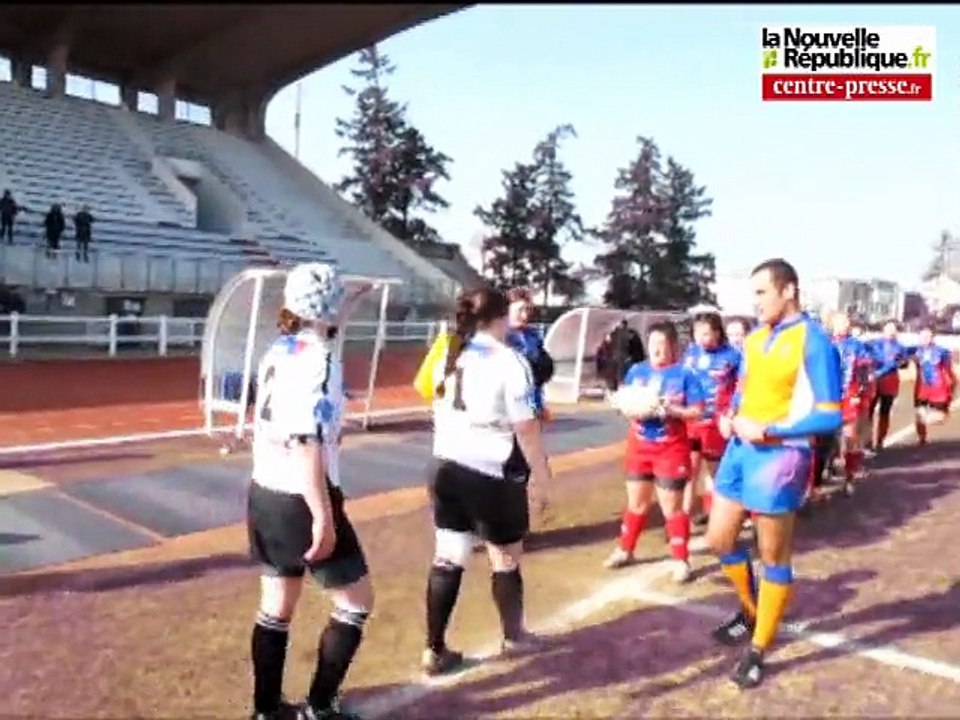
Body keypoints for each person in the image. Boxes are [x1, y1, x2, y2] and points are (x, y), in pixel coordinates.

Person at [246, 262, 372, 720]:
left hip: (265, 492)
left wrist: (347, 303)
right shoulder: (319, 360)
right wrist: (323, 515)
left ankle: (266, 711)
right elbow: (306, 442)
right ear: (328, 309)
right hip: (301, 497)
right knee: (355, 603)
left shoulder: (280, 348)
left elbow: (324, 332)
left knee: (276, 606)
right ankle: (319, 709)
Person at [707, 258, 841, 689]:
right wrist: (731, 415)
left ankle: (759, 648)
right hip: (740, 449)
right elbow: (744, 390)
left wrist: (770, 430)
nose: (756, 302)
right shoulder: (754, 339)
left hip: (782, 456)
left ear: (789, 291)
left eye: (762, 292)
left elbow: (830, 415)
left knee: (773, 557)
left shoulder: (813, 340)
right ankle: (752, 611)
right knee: (719, 538)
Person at [421, 286, 553, 677]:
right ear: (500, 317)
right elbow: (526, 428)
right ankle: (514, 636)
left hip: (445, 466)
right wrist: (541, 477)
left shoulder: (450, 350)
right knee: (505, 556)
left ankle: (433, 649)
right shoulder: (510, 360)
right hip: (490, 470)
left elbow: (430, 397)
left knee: (449, 556)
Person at [603, 320, 704, 584]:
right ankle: (625, 549)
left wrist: (670, 410)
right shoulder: (637, 371)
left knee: (671, 507)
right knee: (636, 503)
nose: (656, 350)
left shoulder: (685, 374)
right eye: (652, 344)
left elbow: (696, 411)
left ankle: (681, 559)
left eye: (661, 344)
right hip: (639, 448)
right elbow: (628, 405)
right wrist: (623, 404)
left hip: (671, 449)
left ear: (673, 346)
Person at [681, 312, 742, 527]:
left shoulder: (733, 356)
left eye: (706, 333)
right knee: (689, 471)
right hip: (692, 422)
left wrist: (731, 412)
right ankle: (683, 519)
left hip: (716, 423)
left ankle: (721, 516)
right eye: (697, 333)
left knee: (717, 473)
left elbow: (741, 387)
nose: (701, 338)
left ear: (717, 333)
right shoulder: (690, 353)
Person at [830, 312, 873, 497]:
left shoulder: (856, 345)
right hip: (828, 397)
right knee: (828, 437)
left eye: (846, 322)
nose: (844, 325)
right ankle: (830, 467)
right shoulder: (827, 344)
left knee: (850, 436)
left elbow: (864, 371)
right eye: (840, 323)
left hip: (849, 395)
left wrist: (859, 392)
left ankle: (849, 477)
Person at [505, 288, 555, 421]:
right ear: (507, 311)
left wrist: (539, 406)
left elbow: (537, 377)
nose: (524, 315)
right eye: (520, 310)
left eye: (527, 310)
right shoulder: (499, 338)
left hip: (530, 408)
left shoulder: (533, 336)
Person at [868, 320, 912, 452]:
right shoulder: (873, 344)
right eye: (888, 328)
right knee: (868, 411)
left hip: (890, 382)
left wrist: (902, 362)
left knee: (885, 411)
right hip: (873, 381)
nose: (891, 332)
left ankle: (880, 441)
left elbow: (904, 363)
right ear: (883, 330)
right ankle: (867, 441)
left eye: (893, 329)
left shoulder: (900, 347)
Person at [912, 321, 956, 446]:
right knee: (919, 413)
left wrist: (952, 387)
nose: (924, 339)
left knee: (940, 416)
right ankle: (922, 439)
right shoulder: (916, 351)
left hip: (938, 388)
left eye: (927, 336)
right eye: (922, 336)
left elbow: (949, 371)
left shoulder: (942, 352)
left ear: (933, 337)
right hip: (922, 388)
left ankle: (939, 416)